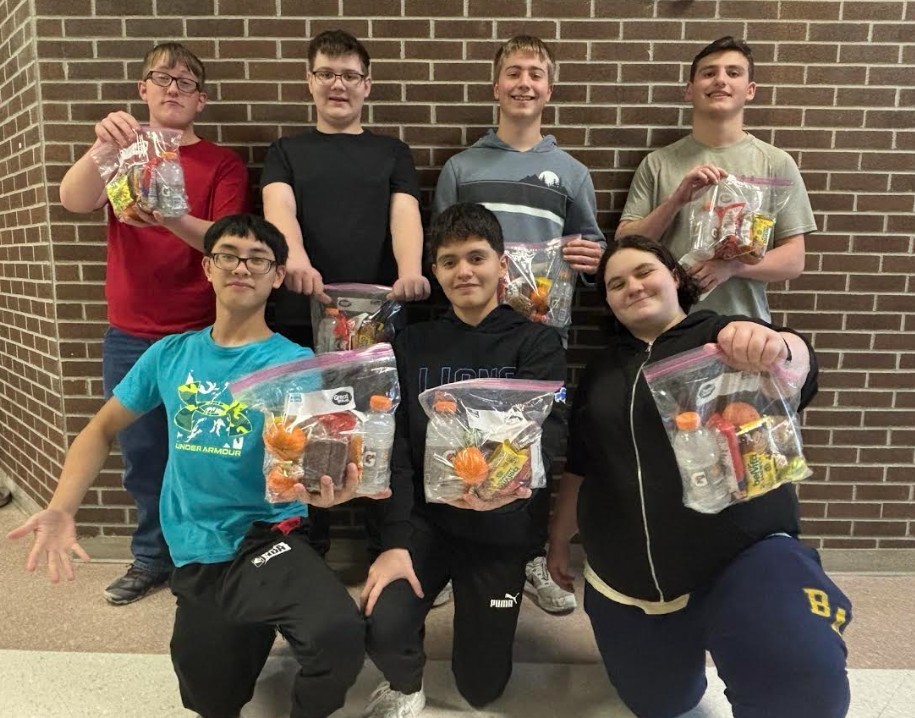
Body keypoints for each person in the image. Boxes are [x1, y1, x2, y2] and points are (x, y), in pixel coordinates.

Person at [8, 214, 386, 718]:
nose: (242, 267)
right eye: (228, 255)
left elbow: (318, 463)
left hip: (267, 538)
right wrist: (61, 507)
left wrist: (329, 493)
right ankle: (244, 628)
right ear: (208, 267)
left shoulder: (296, 365)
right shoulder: (170, 354)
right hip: (195, 550)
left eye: (259, 259)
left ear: (277, 277)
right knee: (210, 697)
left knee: (337, 634)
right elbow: (100, 429)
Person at [547, 235, 852, 718]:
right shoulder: (601, 369)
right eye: (616, 283)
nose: (632, 286)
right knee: (660, 703)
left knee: (799, 683)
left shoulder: (725, 335)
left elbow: (797, 366)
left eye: (644, 271)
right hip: (624, 575)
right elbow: (582, 463)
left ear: (675, 277)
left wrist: (779, 345)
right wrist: (559, 540)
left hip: (742, 556)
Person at [57, 42, 252, 604]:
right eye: (161, 78)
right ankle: (151, 557)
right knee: (143, 456)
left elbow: (224, 241)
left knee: (208, 451)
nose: (172, 88)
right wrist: (101, 148)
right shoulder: (122, 150)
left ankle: (210, 556)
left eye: (186, 82)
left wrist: (168, 216)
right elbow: (73, 200)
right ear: (142, 90)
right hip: (131, 334)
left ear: (201, 101)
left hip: (200, 332)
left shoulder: (221, 163)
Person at [360, 203, 567, 717]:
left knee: (482, 689)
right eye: (449, 262)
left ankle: (482, 602)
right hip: (426, 522)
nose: (464, 272)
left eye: (477, 257)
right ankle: (407, 683)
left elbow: (551, 438)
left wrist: (501, 492)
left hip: (501, 525)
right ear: (435, 271)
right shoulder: (412, 342)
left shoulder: (536, 341)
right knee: (380, 623)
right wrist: (395, 541)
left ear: (503, 264)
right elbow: (398, 451)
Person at [432, 34, 605, 615]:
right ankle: (460, 552)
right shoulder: (462, 167)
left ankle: (530, 551)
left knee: (530, 444)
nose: (524, 82)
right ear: (496, 86)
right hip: (473, 331)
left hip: (541, 335)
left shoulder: (571, 173)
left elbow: (594, 247)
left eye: (535, 73)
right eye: (513, 73)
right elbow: (443, 245)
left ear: (549, 88)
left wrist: (591, 259)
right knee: (464, 440)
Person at [261, 29, 429, 561]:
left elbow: (405, 215)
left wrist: (409, 272)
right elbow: (278, 211)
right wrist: (296, 260)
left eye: (350, 75)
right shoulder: (285, 151)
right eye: (327, 74)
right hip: (299, 319)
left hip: (377, 328)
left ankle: (391, 550)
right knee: (304, 437)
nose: (339, 85)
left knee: (378, 433)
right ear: (309, 81)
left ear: (367, 85)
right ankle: (307, 554)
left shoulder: (391, 152)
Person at [616, 36, 816, 322]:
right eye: (709, 73)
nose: (720, 80)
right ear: (689, 90)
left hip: (745, 328)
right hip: (665, 327)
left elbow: (794, 261)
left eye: (733, 73)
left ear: (750, 90)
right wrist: (675, 202)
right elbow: (625, 244)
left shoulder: (776, 163)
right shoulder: (658, 163)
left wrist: (733, 267)